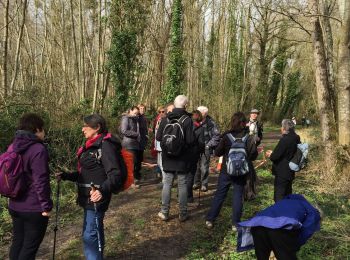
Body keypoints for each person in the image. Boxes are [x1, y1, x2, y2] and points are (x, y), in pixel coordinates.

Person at [57, 114, 124, 260]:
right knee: (94, 230)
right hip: (88, 198)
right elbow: (86, 174)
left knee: (89, 234)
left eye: (85, 126)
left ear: (97, 127)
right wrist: (66, 176)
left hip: (96, 198)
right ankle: (98, 255)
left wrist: (102, 191)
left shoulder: (105, 145)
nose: (82, 129)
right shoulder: (90, 145)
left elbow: (115, 174)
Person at [7, 113, 53, 260]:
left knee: (17, 243)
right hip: (34, 208)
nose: (44, 132)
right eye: (43, 129)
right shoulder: (38, 149)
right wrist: (46, 206)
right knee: (29, 248)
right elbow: (41, 181)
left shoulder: (12, 146)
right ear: (37, 129)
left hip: (14, 205)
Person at [206, 112, 258, 230]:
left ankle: (210, 220)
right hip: (241, 172)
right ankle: (235, 223)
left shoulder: (226, 136)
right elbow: (254, 155)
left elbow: (217, 153)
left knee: (220, 194)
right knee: (237, 196)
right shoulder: (248, 137)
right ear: (244, 123)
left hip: (226, 170)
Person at [237, 194, 321, 260]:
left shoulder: (285, 201)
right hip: (279, 229)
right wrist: (293, 247)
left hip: (257, 226)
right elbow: (306, 231)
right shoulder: (313, 211)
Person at [156, 95, 195, 222]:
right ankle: (183, 213)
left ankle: (164, 212)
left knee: (167, 183)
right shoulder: (187, 120)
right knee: (182, 184)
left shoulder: (165, 118)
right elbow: (190, 140)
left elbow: (158, 137)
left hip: (167, 156)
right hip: (182, 157)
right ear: (185, 105)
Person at [265, 119, 300, 202]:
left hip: (282, 171)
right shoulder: (296, 137)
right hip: (291, 169)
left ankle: (280, 213)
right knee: (288, 194)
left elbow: (275, 157)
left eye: (281, 127)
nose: (280, 128)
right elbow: (287, 152)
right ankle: (288, 212)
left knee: (279, 196)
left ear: (284, 128)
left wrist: (271, 154)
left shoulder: (285, 140)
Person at [193, 106, 220, 192]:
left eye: (200, 112)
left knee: (204, 167)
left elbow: (216, 136)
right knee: (195, 166)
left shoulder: (211, 123)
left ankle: (204, 184)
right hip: (195, 147)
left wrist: (208, 145)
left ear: (205, 114)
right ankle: (196, 183)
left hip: (206, 147)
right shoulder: (193, 121)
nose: (198, 114)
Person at [120, 106, 142, 185]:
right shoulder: (126, 118)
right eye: (135, 113)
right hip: (128, 144)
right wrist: (136, 134)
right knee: (130, 163)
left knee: (134, 163)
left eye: (137, 113)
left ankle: (131, 181)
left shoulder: (135, 119)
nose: (136, 115)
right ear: (130, 111)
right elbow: (124, 130)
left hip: (135, 144)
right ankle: (131, 182)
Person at [187, 110, 205, 203]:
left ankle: (180, 194)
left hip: (184, 153)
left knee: (182, 175)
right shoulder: (200, 129)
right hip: (194, 154)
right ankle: (189, 196)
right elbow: (201, 143)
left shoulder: (186, 125)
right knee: (190, 175)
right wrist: (201, 151)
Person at [138, 104, 149, 176]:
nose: (142, 110)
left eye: (143, 108)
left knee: (140, 156)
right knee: (137, 158)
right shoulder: (136, 117)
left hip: (143, 139)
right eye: (140, 108)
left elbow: (145, 128)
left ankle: (139, 172)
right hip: (137, 140)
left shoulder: (144, 118)